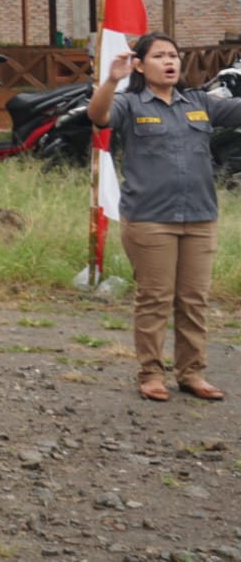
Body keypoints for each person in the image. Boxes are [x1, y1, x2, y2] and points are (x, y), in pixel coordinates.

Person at [87, 32, 241, 402]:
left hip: (200, 218)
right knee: (155, 299)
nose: (170, 61)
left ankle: (192, 372)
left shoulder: (199, 102)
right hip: (150, 219)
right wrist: (111, 80)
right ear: (140, 65)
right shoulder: (129, 103)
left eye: (173, 55)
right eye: (159, 56)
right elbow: (98, 115)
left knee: (193, 300)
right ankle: (151, 374)